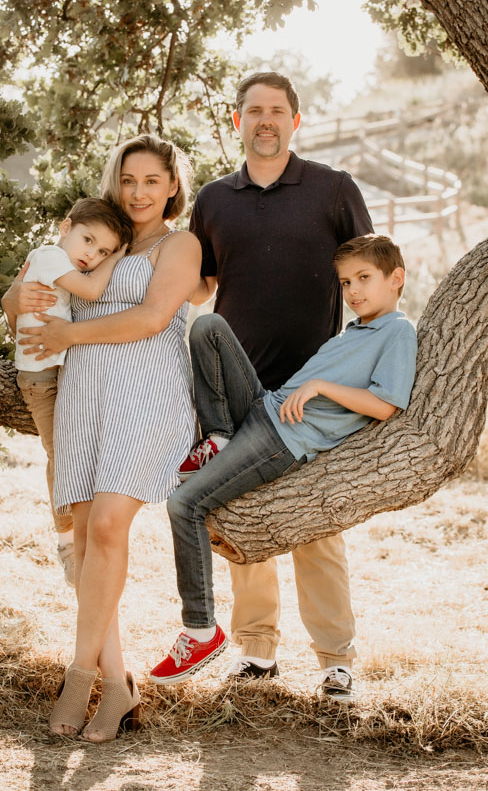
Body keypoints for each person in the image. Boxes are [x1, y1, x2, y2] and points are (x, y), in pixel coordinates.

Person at [150, 234, 417, 701]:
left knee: (184, 505)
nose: (353, 291)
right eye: (346, 282)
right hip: (263, 407)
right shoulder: (355, 330)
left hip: (282, 440)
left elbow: (385, 404)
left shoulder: (398, 331)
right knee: (209, 326)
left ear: (396, 278)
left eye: (364, 278)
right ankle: (219, 436)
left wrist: (321, 387)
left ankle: (201, 629)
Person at [8, 134, 201, 741]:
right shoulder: (93, 235)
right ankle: (116, 683)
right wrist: (17, 297)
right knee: (89, 539)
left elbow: (152, 318)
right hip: (84, 393)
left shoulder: (180, 244)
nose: (138, 192)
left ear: (172, 186)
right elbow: (26, 297)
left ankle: (78, 674)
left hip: (148, 392)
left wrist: (69, 336)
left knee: (111, 526)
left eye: (152, 181)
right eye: (128, 179)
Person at [183, 71, 374, 685]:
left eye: (276, 111)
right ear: (236, 121)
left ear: (295, 120)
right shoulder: (213, 199)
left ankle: (336, 661)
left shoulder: (333, 188)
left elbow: (370, 274)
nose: (265, 121)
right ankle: (257, 650)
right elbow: (199, 287)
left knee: (318, 524)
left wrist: (367, 359)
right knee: (248, 520)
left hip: (317, 392)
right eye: (253, 111)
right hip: (239, 390)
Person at [8, 198, 133, 586]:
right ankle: (66, 543)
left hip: (60, 374)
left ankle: (83, 536)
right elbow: (93, 291)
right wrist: (118, 258)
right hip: (41, 381)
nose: (92, 255)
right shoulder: (50, 257)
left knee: (73, 453)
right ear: (65, 228)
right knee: (60, 457)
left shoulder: (64, 266)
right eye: (88, 240)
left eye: (103, 251)